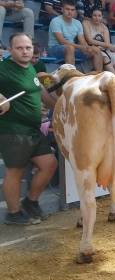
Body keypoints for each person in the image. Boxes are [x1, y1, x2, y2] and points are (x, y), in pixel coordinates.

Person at [0, 32, 58, 225]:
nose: (25, 51)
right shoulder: (4, 69)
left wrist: (60, 106)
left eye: (28, 48)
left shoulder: (31, 69)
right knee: (15, 172)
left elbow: (43, 94)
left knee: (50, 164)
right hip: (13, 130)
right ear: (10, 50)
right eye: (19, 48)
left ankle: (30, 202)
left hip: (33, 129)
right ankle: (14, 214)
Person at [47, 0, 103, 71]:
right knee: (70, 48)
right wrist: (80, 47)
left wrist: (87, 48)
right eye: (67, 9)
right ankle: (71, 76)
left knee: (96, 50)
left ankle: (98, 75)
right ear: (62, 9)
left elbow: (82, 41)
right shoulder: (55, 21)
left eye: (72, 10)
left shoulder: (77, 23)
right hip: (54, 49)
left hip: (71, 48)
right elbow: (62, 41)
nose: (70, 12)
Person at [83, 8, 115, 75]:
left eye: (99, 16)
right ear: (91, 16)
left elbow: (107, 44)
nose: (97, 18)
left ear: (102, 17)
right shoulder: (86, 23)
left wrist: (108, 46)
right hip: (92, 50)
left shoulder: (104, 27)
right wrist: (108, 45)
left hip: (104, 50)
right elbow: (89, 40)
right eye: (94, 15)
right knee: (105, 58)